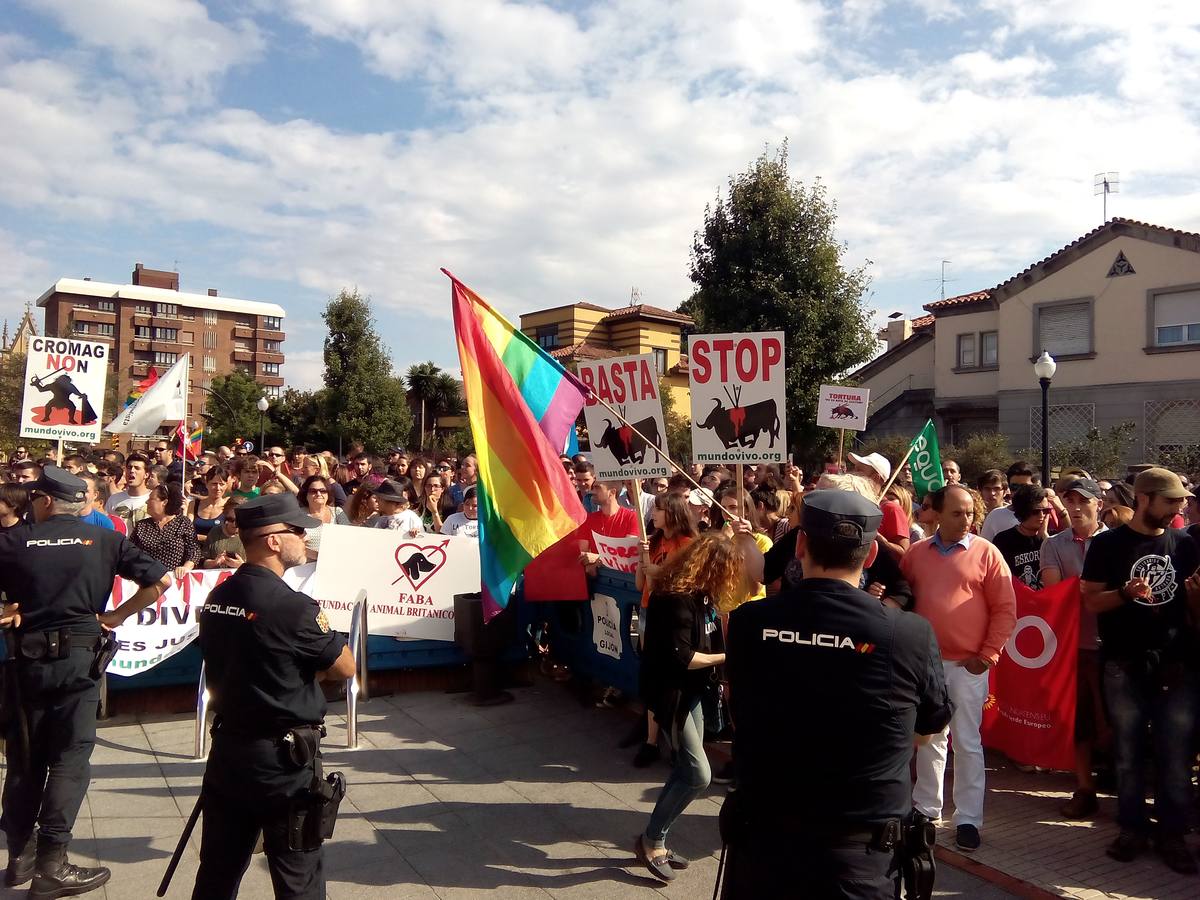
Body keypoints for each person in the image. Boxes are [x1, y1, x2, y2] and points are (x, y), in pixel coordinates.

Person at [720, 490, 952, 899]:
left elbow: (739, 708)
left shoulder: (748, 622)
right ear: (869, 555)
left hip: (765, 846)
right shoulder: (910, 633)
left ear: (801, 545)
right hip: (859, 856)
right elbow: (930, 729)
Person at [0, 466, 170, 896]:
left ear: (43, 502)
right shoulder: (105, 540)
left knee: (24, 761)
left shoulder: (13, 541)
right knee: (70, 760)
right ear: (81, 505)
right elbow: (162, 581)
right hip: (79, 659)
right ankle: (51, 864)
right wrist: (116, 616)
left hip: (26, 662)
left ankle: (20, 856)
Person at [190, 494, 356, 899]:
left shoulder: (218, 598)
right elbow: (346, 667)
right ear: (274, 541)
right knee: (297, 876)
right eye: (297, 530)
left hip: (229, 751)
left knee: (217, 871)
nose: (304, 537)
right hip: (283, 763)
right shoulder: (293, 607)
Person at [1080, 468, 1200, 874]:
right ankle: (1131, 828)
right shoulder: (1108, 546)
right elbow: (1092, 602)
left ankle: (1173, 834)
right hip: (1123, 665)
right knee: (1128, 754)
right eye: (1170, 501)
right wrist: (1125, 594)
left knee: (1176, 755)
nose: (1178, 509)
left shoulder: (1186, 544)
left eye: (1182, 502)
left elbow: (1193, 610)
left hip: (1176, 665)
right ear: (1145, 499)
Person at [901, 484, 1016, 852]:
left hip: (968, 666)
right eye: (957, 513)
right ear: (935, 512)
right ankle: (926, 810)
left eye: (970, 513)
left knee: (967, 743)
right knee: (930, 741)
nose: (966, 520)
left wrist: (987, 655)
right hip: (926, 666)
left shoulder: (987, 553)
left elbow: (1005, 609)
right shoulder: (916, 554)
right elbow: (903, 601)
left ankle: (967, 818)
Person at [632, 533, 742, 882]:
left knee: (686, 770)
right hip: (672, 694)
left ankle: (655, 838)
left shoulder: (700, 595)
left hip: (690, 691)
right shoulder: (676, 600)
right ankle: (652, 839)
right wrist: (731, 658)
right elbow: (683, 657)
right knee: (698, 774)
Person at [1040, 477, 1108, 819]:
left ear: (1100, 504)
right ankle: (1085, 788)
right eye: (1070, 501)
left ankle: (1123, 788)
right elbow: (1057, 593)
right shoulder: (1053, 545)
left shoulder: (1116, 541)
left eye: (1084, 501)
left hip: (1113, 646)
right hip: (1074, 647)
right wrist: (1097, 591)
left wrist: (1087, 591)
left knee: (1114, 721)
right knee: (1081, 722)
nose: (1077, 507)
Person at [628, 492, 697, 768]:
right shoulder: (653, 542)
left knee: (672, 681)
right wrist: (642, 561)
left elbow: (682, 584)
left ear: (673, 512)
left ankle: (678, 744)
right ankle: (651, 741)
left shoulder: (688, 544)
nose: (653, 514)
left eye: (658, 510)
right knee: (652, 676)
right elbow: (639, 586)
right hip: (648, 613)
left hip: (672, 618)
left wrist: (659, 572)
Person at [132, 483, 202, 580]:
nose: (147, 502)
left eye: (151, 499)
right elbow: (130, 552)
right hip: (144, 580)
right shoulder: (141, 526)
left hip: (174, 581)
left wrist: (186, 567)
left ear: (164, 502)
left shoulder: (183, 523)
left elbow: (194, 551)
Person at [847, 452, 910, 560]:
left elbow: (904, 552)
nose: (853, 474)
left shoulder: (891, 509)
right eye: (854, 469)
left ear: (876, 477)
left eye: (859, 471)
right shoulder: (852, 503)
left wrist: (878, 539)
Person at [991, 484, 1050, 589]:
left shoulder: (1052, 538)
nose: (1041, 516)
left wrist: (1045, 537)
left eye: (1045, 511)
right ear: (1023, 511)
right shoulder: (1003, 540)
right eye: (1035, 511)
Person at [577, 481, 641, 574]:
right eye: (593, 488)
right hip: (598, 581)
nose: (592, 491)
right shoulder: (588, 520)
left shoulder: (632, 517)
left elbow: (626, 556)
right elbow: (582, 555)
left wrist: (598, 559)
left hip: (623, 580)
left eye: (597, 488)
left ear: (612, 492)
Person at [980, 461, 1035, 540]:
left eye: (1024, 487)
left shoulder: (1046, 513)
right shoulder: (995, 516)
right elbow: (985, 549)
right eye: (1014, 487)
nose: (1019, 491)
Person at [300, 475, 349, 561]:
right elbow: (295, 546)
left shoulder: (337, 512)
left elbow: (350, 537)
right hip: (308, 565)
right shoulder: (299, 515)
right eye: (313, 491)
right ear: (306, 494)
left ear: (328, 493)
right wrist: (319, 556)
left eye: (323, 491)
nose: (318, 494)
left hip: (336, 561)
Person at [105, 453, 152, 531]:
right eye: (129, 467)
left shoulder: (153, 499)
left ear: (146, 475)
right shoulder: (114, 499)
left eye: (137, 468)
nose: (132, 471)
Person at [190, 465, 234, 540]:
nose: (218, 488)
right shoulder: (194, 504)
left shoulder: (229, 507)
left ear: (226, 485)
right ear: (206, 484)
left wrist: (200, 537)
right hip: (195, 549)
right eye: (214, 484)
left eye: (221, 484)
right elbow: (188, 531)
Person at [202, 498, 246, 569]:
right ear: (225, 516)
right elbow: (203, 561)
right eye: (231, 519)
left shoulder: (250, 534)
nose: (234, 524)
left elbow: (259, 565)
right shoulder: (215, 532)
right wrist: (214, 562)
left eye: (238, 520)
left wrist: (241, 565)